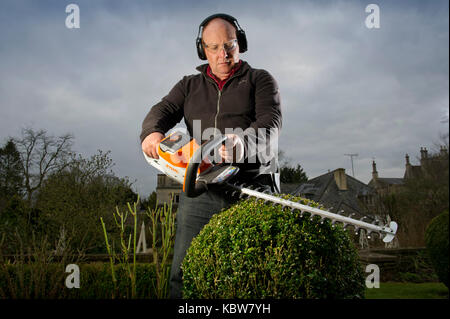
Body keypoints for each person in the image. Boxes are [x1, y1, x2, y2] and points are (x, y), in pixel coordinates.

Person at [140, 13, 282, 298]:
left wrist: (240, 144)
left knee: (254, 276)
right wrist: (151, 133)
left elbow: (270, 124)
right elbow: (161, 111)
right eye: (213, 47)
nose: (222, 54)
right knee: (183, 274)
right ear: (202, 50)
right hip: (201, 188)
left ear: (239, 42)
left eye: (229, 45)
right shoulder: (188, 86)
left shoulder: (260, 80)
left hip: (250, 187)